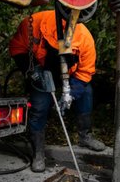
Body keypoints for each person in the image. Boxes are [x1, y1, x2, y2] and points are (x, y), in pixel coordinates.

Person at [9, 10, 106, 172]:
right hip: (42, 73)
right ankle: (38, 152)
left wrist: (70, 95)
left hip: (70, 75)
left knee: (86, 92)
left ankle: (85, 136)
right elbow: (17, 47)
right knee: (39, 106)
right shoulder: (35, 23)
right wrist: (31, 69)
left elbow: (85, 73)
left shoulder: (84, 38)